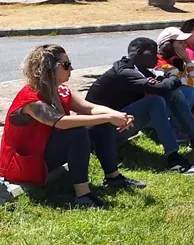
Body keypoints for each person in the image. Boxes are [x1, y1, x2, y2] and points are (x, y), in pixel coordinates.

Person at [0, 45, 144, 208]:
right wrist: (109, 117)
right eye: (66, 65)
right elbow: (60, 122)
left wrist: (117, 115)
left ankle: (113, 177)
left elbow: (89, 108)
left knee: (100, 122)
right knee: (76, 132)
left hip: (43, 150)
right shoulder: (32, 100)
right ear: (49, 69)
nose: (72, 68)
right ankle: (83, 196)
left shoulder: (60, 90)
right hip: (24, 163)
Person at [85, 38, 194, 174]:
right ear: (139, 52)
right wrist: (169, 80)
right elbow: (163, 86)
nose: (157, 57)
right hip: (102, 134)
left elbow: (166, 83)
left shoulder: (139, 69)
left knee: (173, 93)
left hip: (121, 123)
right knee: (154, 101)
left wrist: (166, 80)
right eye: (153, 52)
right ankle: (174, 159)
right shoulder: (124, 73)